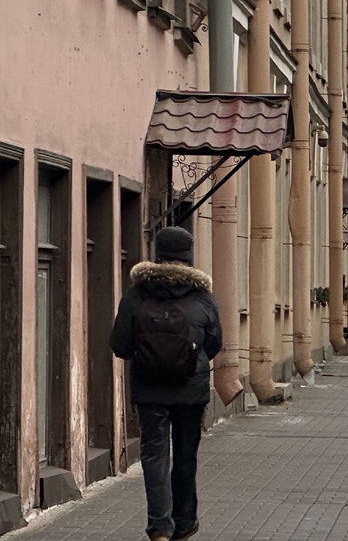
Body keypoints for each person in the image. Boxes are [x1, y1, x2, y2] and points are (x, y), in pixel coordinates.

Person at [110, 227, 222, 541]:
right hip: (191, 389)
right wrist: (192, 359)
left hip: (149, 389)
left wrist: (147, 356)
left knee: (154, 456)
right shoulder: (202, 296)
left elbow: (119, 343)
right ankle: (184, 524)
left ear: (157, 253)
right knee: (186, 456)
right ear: (189, 255)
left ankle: (159, 528)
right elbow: (215, 342)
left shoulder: (136, 292)